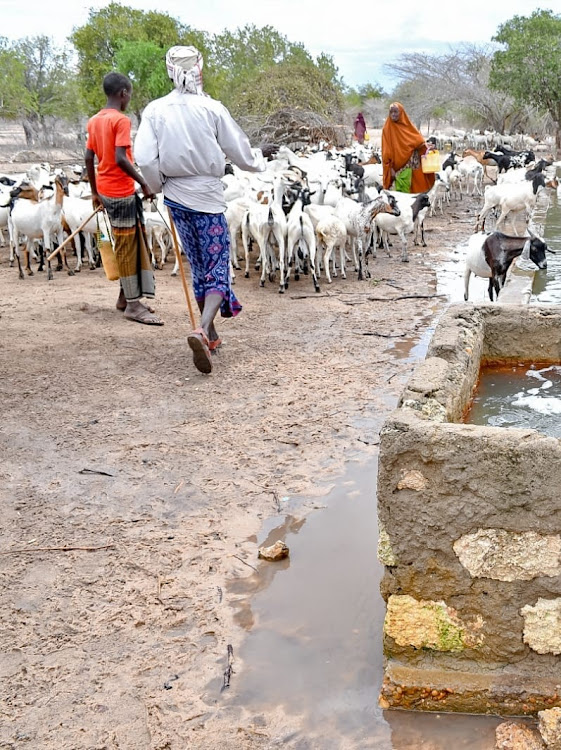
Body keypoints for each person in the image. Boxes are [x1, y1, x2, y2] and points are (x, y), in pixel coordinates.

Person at [135, 45, 267, 374]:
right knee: (218, 265)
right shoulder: (211, 108)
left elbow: (146, 159)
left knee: (197, 264)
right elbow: (239, 150)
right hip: (208, 197)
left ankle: (210, 332)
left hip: (176, 198)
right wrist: (257, 165)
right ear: (199, 70)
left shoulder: (154, 110)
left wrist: (158, 184)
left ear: (169, 71)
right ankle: (201, 328)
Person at [85, 72, 162, 325]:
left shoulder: (95, 120)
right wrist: (144, 183)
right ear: (123, 93)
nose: (129, 98)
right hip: (120, 192)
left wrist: (95, 191)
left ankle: (124, 297)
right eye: (129, 94)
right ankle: (132, 305)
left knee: (125, 243)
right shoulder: (121, 121)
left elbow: (88, 158)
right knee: (128, 247)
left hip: (106, 191)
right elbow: (120, 158)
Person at [381, 102, 436, 194]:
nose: (393, 114)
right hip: (397, 168)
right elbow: (386, 151)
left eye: (396, 112)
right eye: (391, 112)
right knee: (400, 194)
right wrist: (390, 168)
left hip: (413, 165)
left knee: (416, 193)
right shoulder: (387, 129)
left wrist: (426, 147)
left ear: (401, 113)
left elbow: (418, 142)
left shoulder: (409, 127)